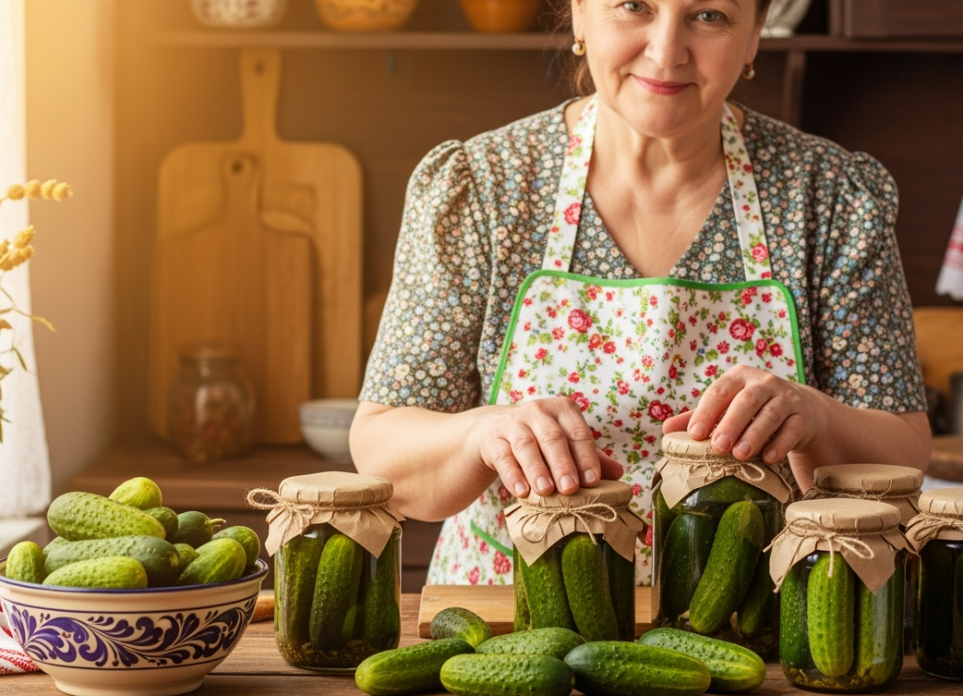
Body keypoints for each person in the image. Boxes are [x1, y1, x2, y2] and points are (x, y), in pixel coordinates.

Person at [350, 0, 931, 586]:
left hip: (759, 633)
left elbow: (905, 452)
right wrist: (481, 433)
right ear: (579, 14)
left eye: (709, 16)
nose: (665, 50)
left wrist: (817, 417)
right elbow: (382, 456)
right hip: (512, 631)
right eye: (633, 6)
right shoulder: (482, 188)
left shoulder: (830, 199)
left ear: (756, 34)